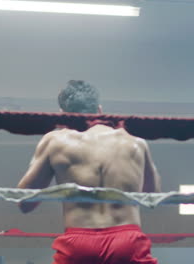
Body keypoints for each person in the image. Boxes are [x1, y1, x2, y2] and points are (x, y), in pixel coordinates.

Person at [17, 80, 161, 264]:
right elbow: (152, 198)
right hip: (127, 240)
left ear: (63, 115)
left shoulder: (55, 141)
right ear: (100, 110)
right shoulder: (134, 142)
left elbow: (24, 202)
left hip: (79, 243)